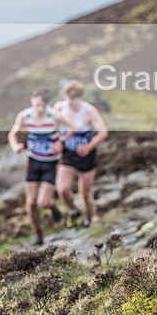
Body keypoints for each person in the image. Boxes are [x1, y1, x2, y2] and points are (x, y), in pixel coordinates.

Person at [8, 89, 75, 245]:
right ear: (32, 100)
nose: (40, 109)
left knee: (43, 202)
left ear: (47, 104)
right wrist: (15, 146)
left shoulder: (54, 116)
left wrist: (62, 141)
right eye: (37, 105)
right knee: (30, 203)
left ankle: (52, 206)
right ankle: (38, 234)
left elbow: (72, 127)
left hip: (51, 163)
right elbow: (12, 134)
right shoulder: (25, 116)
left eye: (43, 106)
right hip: (33, 161)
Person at [54, 80, 109, 228]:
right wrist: (58, 141)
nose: (70, 102)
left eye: (73, 99)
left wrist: (89, 147)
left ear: (80, 97)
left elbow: (103, 132)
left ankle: (88, 220)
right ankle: (73, 211)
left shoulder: (89, 111)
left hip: (86, 155)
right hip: (68, 154)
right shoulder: (60, 107)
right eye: (67, 98)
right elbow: (53, 126)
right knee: (62, 189)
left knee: (84, 193)